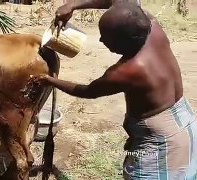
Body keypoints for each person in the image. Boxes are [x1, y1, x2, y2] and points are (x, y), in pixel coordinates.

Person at [31, 0, 197, 179]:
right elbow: (118, 1)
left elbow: (87, 91)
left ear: (123, 41)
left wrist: (50, 80)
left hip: (161, 143)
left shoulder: (128, 71)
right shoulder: (152, 28)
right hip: (185, 122)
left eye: (106, 37)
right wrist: (72, 5)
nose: (101, 40)